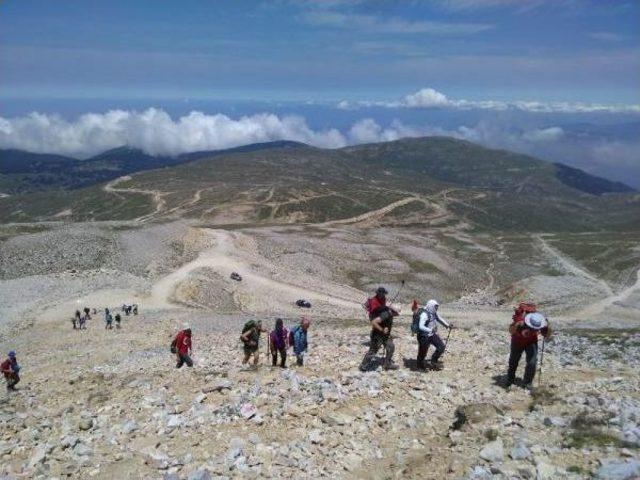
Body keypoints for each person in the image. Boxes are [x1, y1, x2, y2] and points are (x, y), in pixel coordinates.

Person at [507, 304, 551, 389]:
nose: (534, 329)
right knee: (513, 361)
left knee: (532, 362)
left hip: (531, 342)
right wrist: (516, 325)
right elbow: (511, 331)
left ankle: (527, 383)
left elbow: (546, 335)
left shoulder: (540, 323)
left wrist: (547, 328)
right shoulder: (520, 322)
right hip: (517, 342)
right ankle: (510, 379)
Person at [416, 299, 453, 371]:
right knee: (423, 351)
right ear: (431, 306)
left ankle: (433, 361)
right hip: (423, 336)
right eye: (435, 307)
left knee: (441, 347)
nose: (436, 308)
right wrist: (430, 330)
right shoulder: (424, 314)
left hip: (431, 334)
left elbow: (439, 319)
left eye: (436, 307)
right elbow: (421, 326)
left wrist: (447, 325)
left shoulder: (433, 313)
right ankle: (419, 365)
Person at [360, 306, 399, 371]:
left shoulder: (390, 315)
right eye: (397, 313)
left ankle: (387, 364)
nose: (397, 315)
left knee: (391, 346)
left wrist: (388, 333)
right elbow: (373, 322)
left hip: (385, 336)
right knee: (373, 351)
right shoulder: (385, 315)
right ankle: (363, 365)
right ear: (393, 311)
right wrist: (382, 329)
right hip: (377, 336)